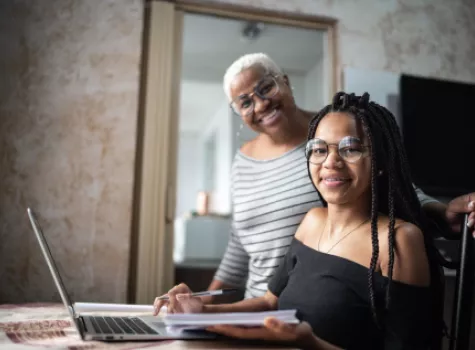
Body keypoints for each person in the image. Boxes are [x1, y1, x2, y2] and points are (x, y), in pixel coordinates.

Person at [154, 92, 443, 349]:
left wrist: (310, 343)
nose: (331, 161)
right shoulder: (311, 221)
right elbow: (270, 302)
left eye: (350, 148)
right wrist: (200, 311)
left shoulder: (399, 240)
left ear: (379, 162)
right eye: (319, 149)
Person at [180, 52, 472, 302]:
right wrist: (199, 304)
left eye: (265, 87)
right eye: (244, 102)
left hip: (317, 310)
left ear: (285, 81)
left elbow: (395, 189)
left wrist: (442, 214)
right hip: (259, 308)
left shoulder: (331, 133)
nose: (259, 104)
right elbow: (240, 245)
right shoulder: (242, 161)